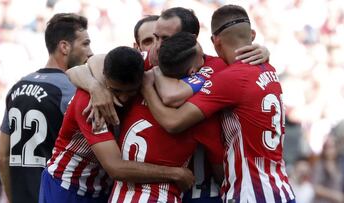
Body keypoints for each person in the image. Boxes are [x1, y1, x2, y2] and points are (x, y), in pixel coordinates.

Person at [66, 7, 270, 203]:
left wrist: (263, 51)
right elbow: (90, 65)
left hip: (200, 187)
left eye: (165, 39)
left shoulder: (217, 68)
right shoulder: (148, 62)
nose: (156, 46)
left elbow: (171, 97)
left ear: (189, 40)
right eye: (154, 38)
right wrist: (96, 87)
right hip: (163, 184)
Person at [141, 5, 296, 203]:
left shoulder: (228, 76)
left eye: (167, 40)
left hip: (249, 192)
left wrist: (147, 85)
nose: (159, 45)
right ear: (253, 35)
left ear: (215, 41)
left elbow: (173, 120)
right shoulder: (268, 68)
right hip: (279, 189)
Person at [39, 46, 195, 203]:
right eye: (117, 91)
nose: (124, 98)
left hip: (101, 189)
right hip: (66, 186)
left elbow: (93, 61)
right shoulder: (89, 103)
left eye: (131, 92)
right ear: (104, 77)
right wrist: (175, 173)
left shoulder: (132, 68)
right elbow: (115, 167)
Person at [108, 32, 224, 203]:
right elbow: (220, 170)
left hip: (119, 196)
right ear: (192, 72)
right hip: (161, 196)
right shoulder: (196, 113)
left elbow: (93, 63)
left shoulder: (135, 89)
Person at [0, 13, 93, 203]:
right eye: (85, 44)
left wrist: (13, 198)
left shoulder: (17, 87)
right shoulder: (72, 90)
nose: (90, 52)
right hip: (55, 195)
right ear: (64, 46)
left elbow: (2, 157)